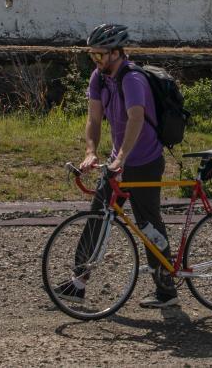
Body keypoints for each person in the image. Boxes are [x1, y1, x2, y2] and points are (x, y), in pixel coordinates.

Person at [55, 23, 179, 309]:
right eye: (92, 56)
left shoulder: (133, 79)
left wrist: (122, 158)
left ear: (116, 53)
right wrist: (91, 152)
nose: (96, 61)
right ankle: (78, 283)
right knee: (98, 216)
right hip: (117, 160)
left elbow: (136, 119)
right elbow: (94, 119)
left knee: (148, 223)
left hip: (145, 161)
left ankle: (166, 290)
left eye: (100, 56)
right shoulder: (99, 78)